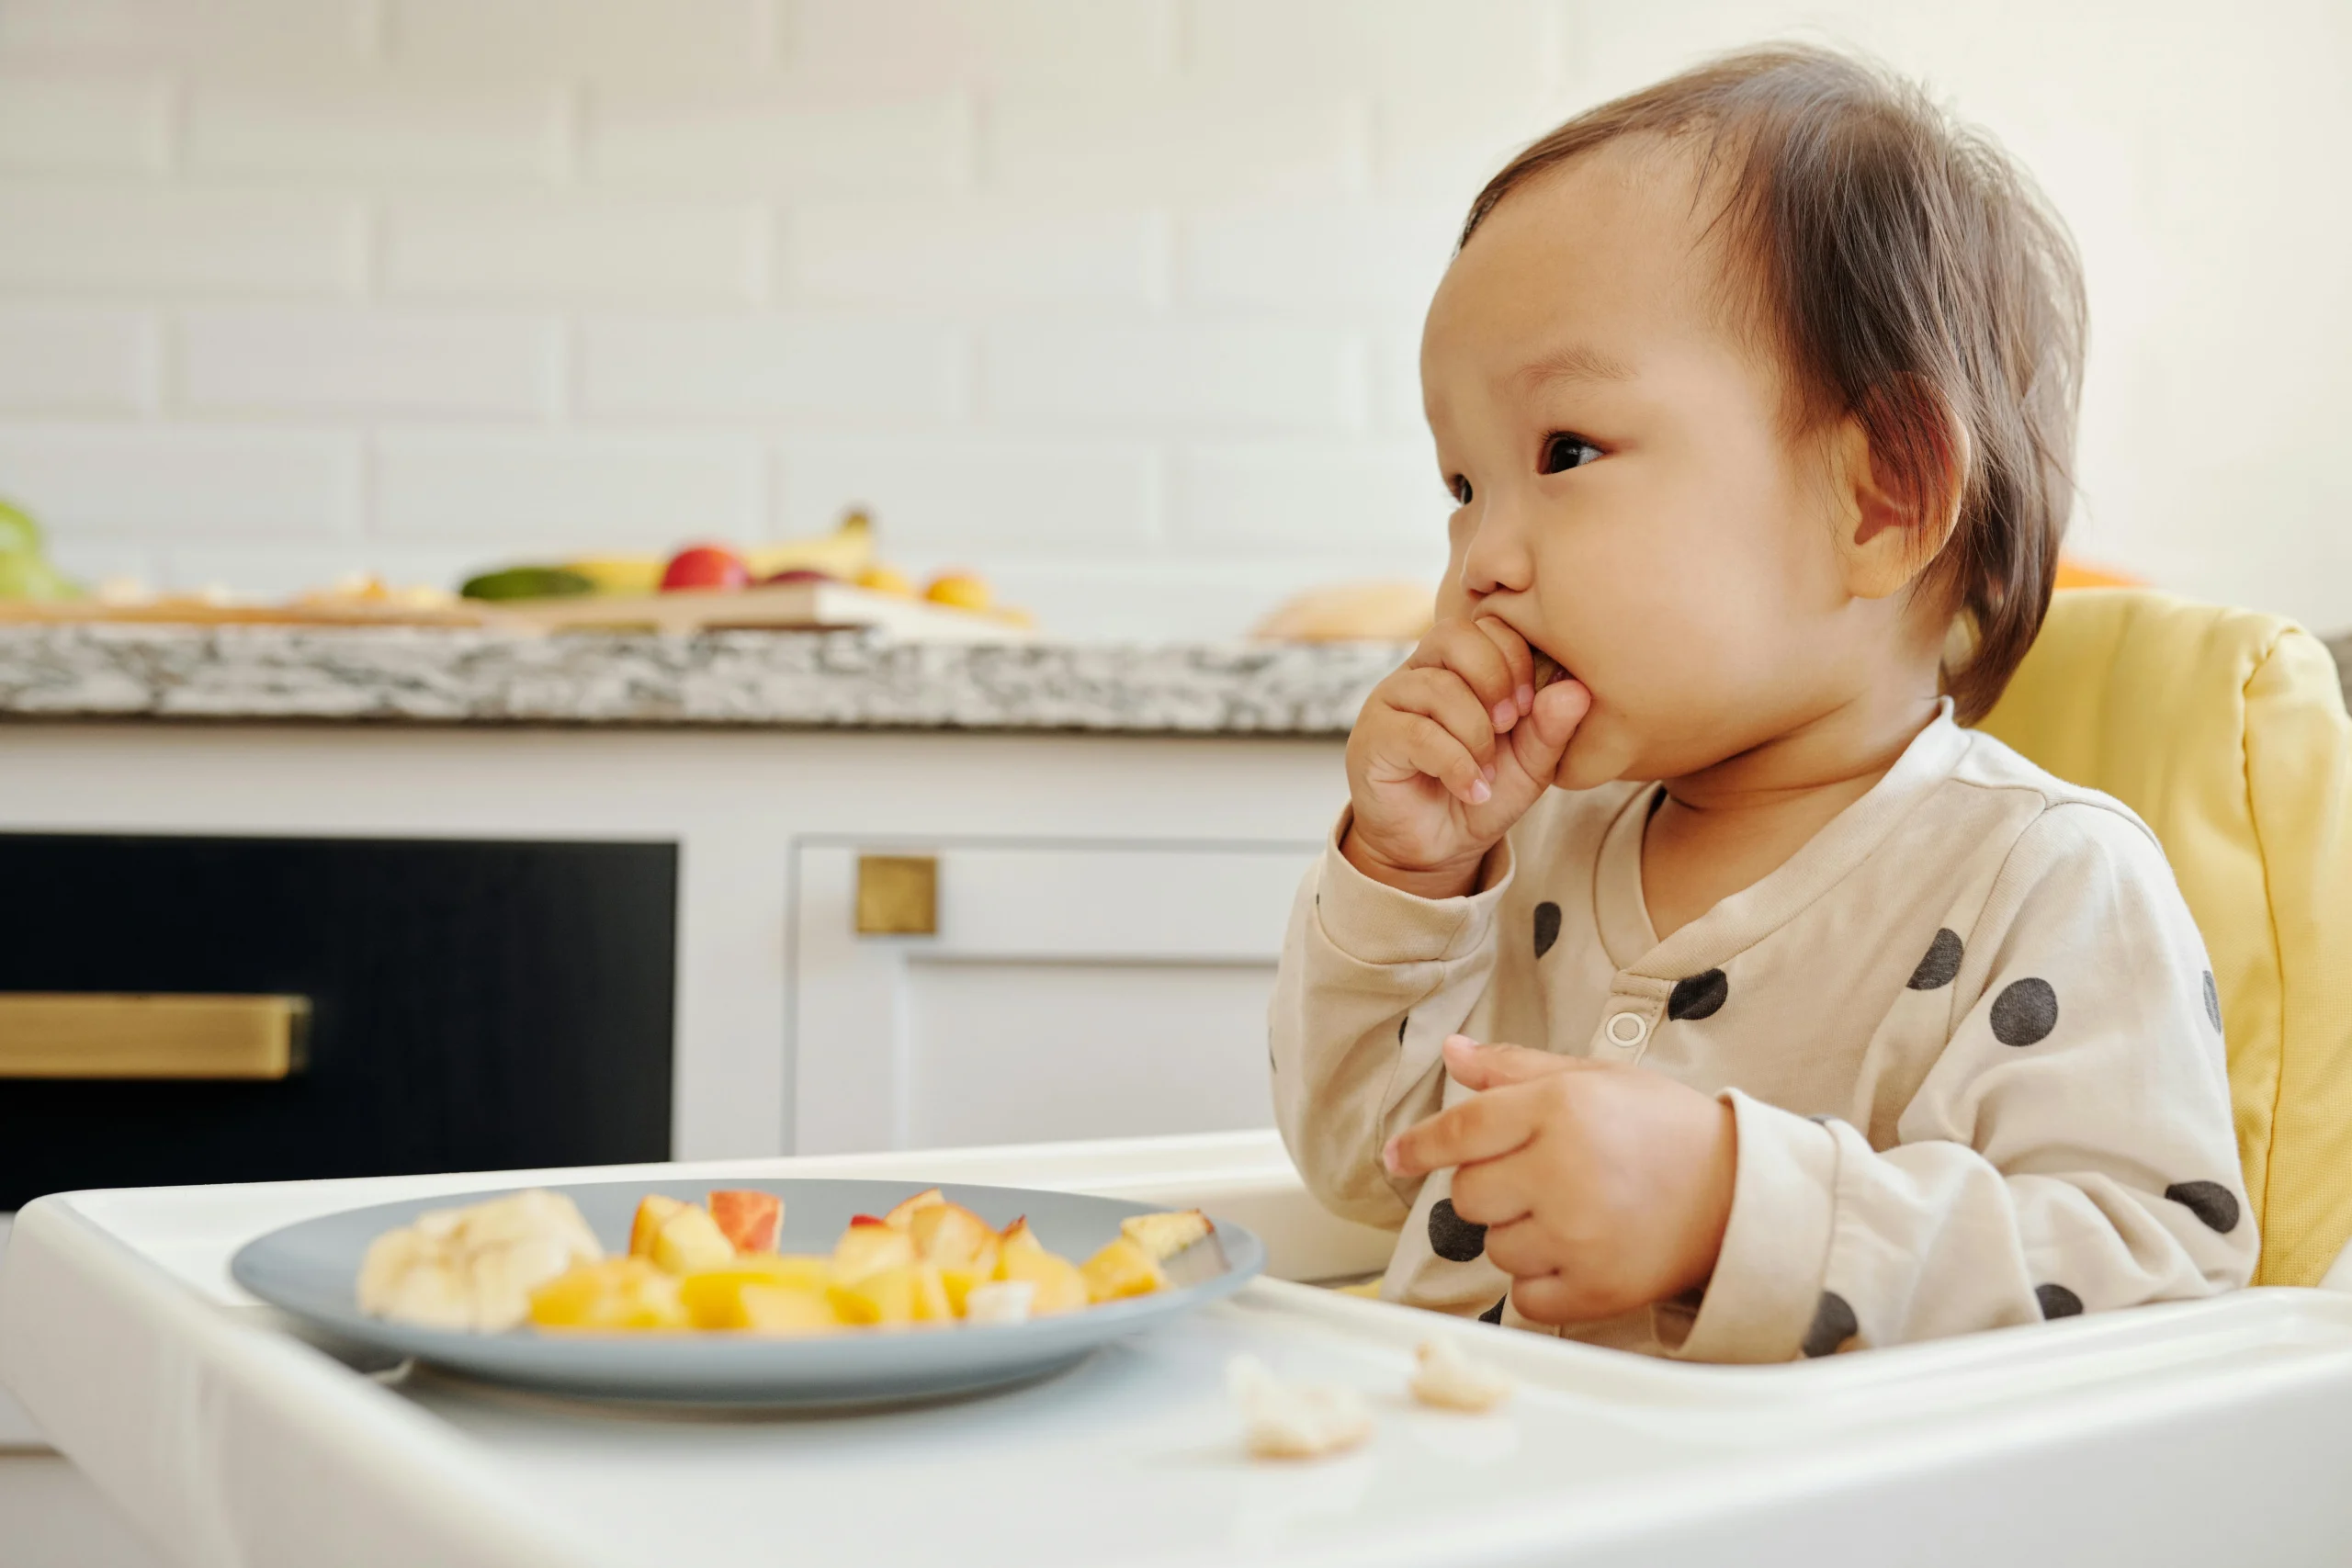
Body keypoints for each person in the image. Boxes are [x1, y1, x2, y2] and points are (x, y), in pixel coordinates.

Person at [1269, 45, 2254, 1361]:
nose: (1480, 559)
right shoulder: (1533, 848)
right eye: (1462, 487)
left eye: (1566, 451)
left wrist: (1737, 1209)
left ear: (1881, 497)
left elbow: (2157, 1270)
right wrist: (1408, 881)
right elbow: (1363, 1167)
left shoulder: (2049, 883)